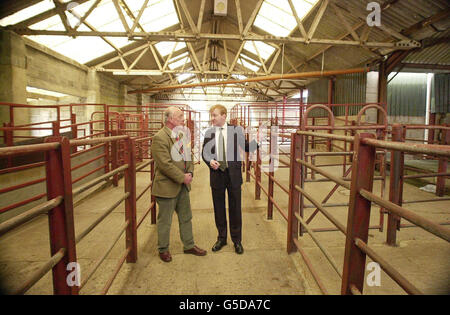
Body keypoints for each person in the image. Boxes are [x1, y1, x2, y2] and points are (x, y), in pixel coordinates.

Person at [151, 106, 206, 262]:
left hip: (182, 185)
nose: (183, 119)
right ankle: (163, 249)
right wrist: (182, 177)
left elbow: (189, 155)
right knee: (165, 221)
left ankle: (189, 245)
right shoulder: (160, 137)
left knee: (186, 217)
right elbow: (164, 164)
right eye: (180, 116)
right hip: (167, 187)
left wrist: (190, 172)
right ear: (170, 119)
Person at [202, 104, 258, 255]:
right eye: (211, 116)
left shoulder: (236, 130)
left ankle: (237, 240)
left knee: (235, 208)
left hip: (233, 174)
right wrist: (210, 161)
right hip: (217, 174)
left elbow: (245, 146)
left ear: (223, 115)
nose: (212, 118)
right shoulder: (209, 132)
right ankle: (221, 238)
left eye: (214, 115)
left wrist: (258, 142)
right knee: (218, 208)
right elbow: (205, 153)